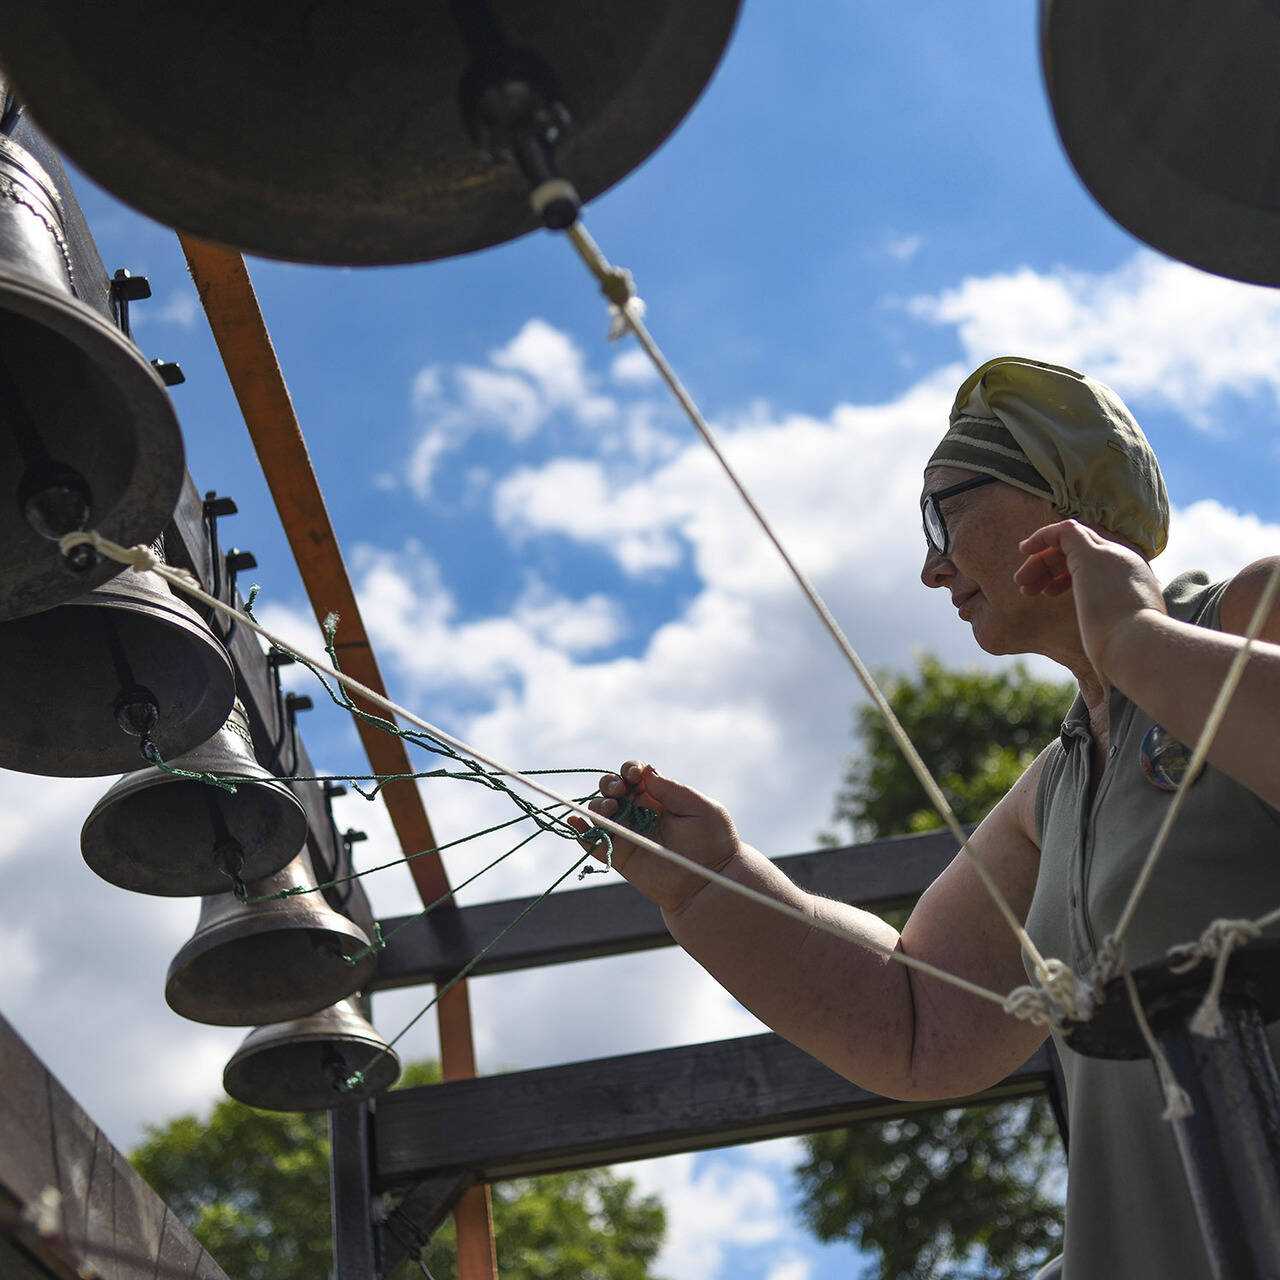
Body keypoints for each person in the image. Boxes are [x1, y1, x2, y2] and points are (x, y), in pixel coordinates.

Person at [570, 356, 1280, 1279]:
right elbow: (918, 1023)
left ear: (1053, 495)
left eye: (942, 514)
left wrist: (1137, 638)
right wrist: (712, 881)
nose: (930, 566)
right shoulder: (1054, 788)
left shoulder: (1253, 609)